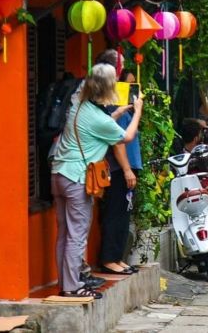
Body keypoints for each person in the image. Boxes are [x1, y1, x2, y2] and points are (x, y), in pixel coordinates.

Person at [51, 63, 143, 299]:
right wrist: (138, 111)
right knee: (76, 235)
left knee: (64, 233)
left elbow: (96, 125)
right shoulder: (97, 119)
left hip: (59, 174)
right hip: (77, 179)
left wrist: (117, 113)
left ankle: (66, 283)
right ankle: (72, 288)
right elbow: (126, 136)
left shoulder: (77, 105)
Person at [99, 68, 141, 275]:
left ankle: (117, 257)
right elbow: (118, 142)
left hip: (128, 168)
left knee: (124, 213)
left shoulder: (125, 110)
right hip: (118, 169)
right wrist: (126, 169)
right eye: (128, 85)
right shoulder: (115, 108)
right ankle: (109, 258)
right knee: (115, 213)